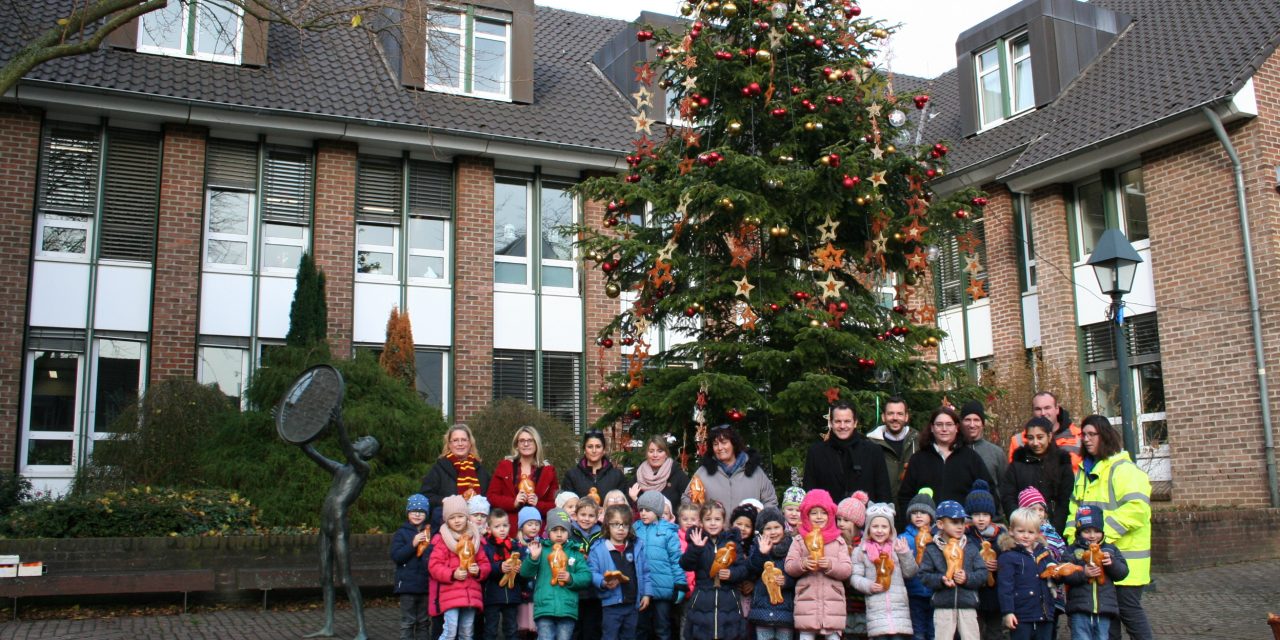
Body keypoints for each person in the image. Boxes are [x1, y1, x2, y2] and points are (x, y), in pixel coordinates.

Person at [1064, 416, 1153, 640]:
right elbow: (1074, 512)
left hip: (1126, 562)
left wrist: (1102, 536)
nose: (1086, 439)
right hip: (1098, 561)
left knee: (1129, 614)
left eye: (1092, 434)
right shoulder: (1084, 472)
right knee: (1108, 618)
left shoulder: (1123, 470)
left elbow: (1138, 509)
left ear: (1105, 436)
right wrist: (1073, 542)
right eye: (1083, 435)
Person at [301, 420, 380, 640]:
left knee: (345, 578)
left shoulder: (362, 469)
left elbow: (347, 448)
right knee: (325, 577)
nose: (358, 440)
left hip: (338, 525)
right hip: (325, 525)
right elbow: (310, 451)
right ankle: (328, 626)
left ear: (369, 451)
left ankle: (362, 630)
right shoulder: (340, 469)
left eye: (364, 440)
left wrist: (340, 425)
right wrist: (292, 425)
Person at [896, 407, 994, 527]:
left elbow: (988, 491)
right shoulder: (918, 459)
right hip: (925, 529)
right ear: (932, 428)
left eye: (949, 424)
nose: (944, 429)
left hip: (962, 529)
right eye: (939, 424)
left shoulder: (971, 458)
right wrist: (912, 523)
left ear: (957, 428)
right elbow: (905, 496)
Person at [784, 488, 853, 640]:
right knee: (806, 636)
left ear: (830, 514)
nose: (819, 517)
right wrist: (802, 564)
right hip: (806, 603)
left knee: (833, 637)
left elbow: (847, 569)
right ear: (806, 516)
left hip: (833, 605)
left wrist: (830, 565)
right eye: (814, 513)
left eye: (823, 512)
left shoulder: (838, 540)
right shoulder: (799, 540)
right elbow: (789, 566)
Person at [919, 500, 987, 640]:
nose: (960, 526)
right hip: (943, 605)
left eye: (962, 522)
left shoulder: (971, 546)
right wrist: (941, 579)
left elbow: (982, 573)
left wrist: (967, 578)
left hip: (968, 605)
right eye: (954, 522)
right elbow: (924, 575)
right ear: (940, 524)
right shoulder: (932, 549)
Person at [681, 501, 748, 639]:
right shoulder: (697, 540)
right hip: (702, 601)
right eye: (708, 519)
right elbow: (685, 564)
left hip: (729, 601)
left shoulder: (732, 543)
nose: (713, 523)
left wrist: (731, 574)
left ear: (724, 522)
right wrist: (696, 548)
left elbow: (743, 569)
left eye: (717, 519)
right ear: (701, 522)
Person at [521, 508, 592, 640]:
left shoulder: (575, 551)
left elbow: (586, 576)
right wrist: (533, 558)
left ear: (568, 532)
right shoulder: (541, 549)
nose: (559, 534)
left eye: (563, 530)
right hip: (544, 608)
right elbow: (525, 573)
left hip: (567, 609)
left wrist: (571, 578)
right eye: (555, 530)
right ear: (548, 531)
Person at [1060, 505, 1129, 640]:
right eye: (1087, 531)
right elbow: (1063, 574)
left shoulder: (1110, 550)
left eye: (1097, 531)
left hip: (1104, 609)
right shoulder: (1072, 551)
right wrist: (1083, 573)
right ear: (1079, 532)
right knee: (1081, 637)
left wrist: (1112, 564)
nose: (1092, 536)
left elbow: (1123, 573)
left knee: (1102, 637)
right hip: (1079, 608)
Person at [428, 495, 492, 640]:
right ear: (446, 520)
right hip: (451, 595)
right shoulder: (442, 540)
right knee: (450, 632)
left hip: (471, 594)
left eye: (460, 516)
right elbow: (434, 566)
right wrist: (452, 574)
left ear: (466, 517)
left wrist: (479, 571)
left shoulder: (475, 539)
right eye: (452, 517)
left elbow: (485, 563)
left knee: (467, 633)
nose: (457, 520)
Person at [851, 501, 917, 639]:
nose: (879, 530)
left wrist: (905, 554)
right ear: (868, 528)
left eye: (884, 527)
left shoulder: (896, 547)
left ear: (891, 529)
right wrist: (868, 585)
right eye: (875, 526)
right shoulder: (861, 551)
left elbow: (910, 572)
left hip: (899, 610)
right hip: (876, 610)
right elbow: (854, 577)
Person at [803, 401, 892, 504]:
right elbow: (809, 492)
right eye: (838, 421)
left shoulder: (873, 451)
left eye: (847, 421)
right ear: (831, 423)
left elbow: (883, 492)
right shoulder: (816, 452)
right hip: (827, 518)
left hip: (866, 517)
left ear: (855, 423)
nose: (842, 426)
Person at [1002, 417, 1075, 534]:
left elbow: (1065, 500)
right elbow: (1008, 497)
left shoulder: (1062, 462)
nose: (1035, 443)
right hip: (1023, 531)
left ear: (1049, 437)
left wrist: (1055, 529)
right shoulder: (1017, 464)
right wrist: (1020, 525)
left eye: (1040, 437)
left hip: (1055, 529)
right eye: (1031, 438)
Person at [589, 504, 651, 640]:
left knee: (629, 636)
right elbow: (591, 572)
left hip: (632, 603)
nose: (621, 528)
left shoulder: (636, 546)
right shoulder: (598, 549)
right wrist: (603, 582)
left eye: (625, 524)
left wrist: (646, 594)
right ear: (607, 526)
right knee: (609, 636)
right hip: (611, 604)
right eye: (616, 524)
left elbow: (645, 572)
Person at [996, 508, 1057, 640]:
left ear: (1037, 534)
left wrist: (1060, 573)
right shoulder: (1008, 556)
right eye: (1021, 531)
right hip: (1021, 616)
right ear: (1011, 531)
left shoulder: (1045, 554)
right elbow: (1005, 587)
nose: (1026, 535)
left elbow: (1055, 578)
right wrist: (1008, 612)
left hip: (1044, 614)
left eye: (1030, 532)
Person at [686, 424, 779, 509]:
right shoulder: (702, 473)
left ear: (733, 444)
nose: (720, 448)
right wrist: (697, 509)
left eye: (724, 442)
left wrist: (761, 520)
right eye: (715, 444)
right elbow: (686, 500)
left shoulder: (756, 472)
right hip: (713, 527)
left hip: (748, 527)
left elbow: (770, 501)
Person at [633, 491, 685, 640]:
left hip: (663, 589)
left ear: (657, 511)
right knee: (641, 628)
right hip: (642, 589)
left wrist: (680, 583)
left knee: (662, 628)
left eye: (648, 510)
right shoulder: (635, 529)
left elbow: (676, 559)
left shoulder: (668, 531)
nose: (643, 513)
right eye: (641, 509)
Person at [489, 425, 560, 530]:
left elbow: (555, 505)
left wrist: (538, 504)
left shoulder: (548, 471)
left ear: (536, 444)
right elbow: (492, 497)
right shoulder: (505, 466)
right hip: (508, 528)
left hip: (537, 530)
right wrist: (513, 502)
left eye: (530, 440)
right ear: (516, 445)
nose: (526, 444)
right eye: (522, 441)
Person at [422, 425, 491, 530]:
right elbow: (425, 496)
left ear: (470, 444)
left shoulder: (481, 470)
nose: (460, 444)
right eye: (455, 440)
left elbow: (490, 498)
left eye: (464, 440)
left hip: (478, 529)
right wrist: (444, 500)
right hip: (445, 528)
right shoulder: (439, 469)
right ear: (449, 444)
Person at [963, 481, 1006, 640]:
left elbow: (1008, 562)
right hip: (973, 593)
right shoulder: (965, 536)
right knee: (974, 632)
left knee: (995, 631)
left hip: (995, 594)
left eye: (985, 515)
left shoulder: (1001, 537)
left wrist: (998, 565)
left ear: (991, 515)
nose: (981, 519)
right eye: (976, 515)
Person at [747, 506, 796, 639]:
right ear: (761, 531)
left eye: (776, 527)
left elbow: (796, 574)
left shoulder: (792, 547)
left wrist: (786, 581)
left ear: (783, 528)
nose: (773, 532)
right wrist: (761, 554)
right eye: (768, 528)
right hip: (762, 609)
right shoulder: (756, 547)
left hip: (786, 610)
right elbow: (752, 570)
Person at [1007, 392, 1082, 474]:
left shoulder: (1080, 437)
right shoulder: (1018, 441)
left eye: (1047, 408)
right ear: (1032, 411)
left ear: (1057, 409)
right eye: (1038, 409)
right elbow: (1014, 476)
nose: (1043, 413)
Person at [391, 494, 432, 640]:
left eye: (421, 511)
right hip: (407, 586)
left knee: (423, 622)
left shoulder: (430, 533)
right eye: (413, 511)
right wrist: (413, 544)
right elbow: (397, 556)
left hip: (425, 586)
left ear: (426, 514)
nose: (417, 514)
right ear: (408, 513)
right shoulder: (401, 533)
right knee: (407, 622)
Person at [483, 507, 526, 640]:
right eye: (497, 526)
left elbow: (524, 566)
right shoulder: (486, 546)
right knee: (491, 629)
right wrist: (499, 567)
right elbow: (485, 568)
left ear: (509, 526)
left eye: (505, 526)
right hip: (492, 595)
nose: (502, 529)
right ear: (489, 528)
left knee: (512, 629)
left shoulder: (516, 546)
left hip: (512, 595)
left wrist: (519, 569)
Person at [898, 489, 935, 640]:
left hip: (934, 591)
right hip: (914, 591)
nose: (918, 515)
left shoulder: (937, 537)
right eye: (914, 512)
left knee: (934, 631)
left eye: (923, 512)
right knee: (917, 631)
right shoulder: (904, 538)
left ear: (931, 516)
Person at [562, 431, 631, 507]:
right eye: (590, 446)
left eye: (598, 446)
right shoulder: (572, 475)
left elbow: (623, 506)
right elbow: (567, 506)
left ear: (604, 450)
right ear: (584, 450)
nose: (594, 451)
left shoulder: (617, 475)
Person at [867, 397, 917, 501]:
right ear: (883, 417)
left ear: (906, 417)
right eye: (890, 413)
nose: (895, 418)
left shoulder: (918, 442)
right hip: (880, 510)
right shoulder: (870, 444)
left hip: (913, 510)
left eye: (900, 414)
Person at [569, 497, 605, 640]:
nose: (586, 519)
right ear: (575, 515)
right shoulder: (569, 534)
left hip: (595, 592)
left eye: (591, 516)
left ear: (597, 517)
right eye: (583, 515)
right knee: (575, 629)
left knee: (592, 629)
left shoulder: (602, 535)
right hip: (575, 590)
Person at [835, 492, 869, 639]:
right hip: (842, 606)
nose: (841, 523)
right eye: (839, 519)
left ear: (857, 522)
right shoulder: (835, 543)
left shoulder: (864, 545)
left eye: (846, 520)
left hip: (861, 605)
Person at [959, 401, 1007, 499]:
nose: (972, 425)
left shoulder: (996, 453)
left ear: (983, 423)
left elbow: (1004, 488)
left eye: (976, 420)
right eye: (967, 420)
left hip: (990, 511)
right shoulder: (954, 451)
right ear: (961, 423)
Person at [629, 435, 691, 509]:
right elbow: (630, 506)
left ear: (666, 454)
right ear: (647, 454)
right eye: (651, 451)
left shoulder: (678, 475)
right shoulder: (639, 475)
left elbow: (689, 505)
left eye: (660, 451)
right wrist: (634, 499)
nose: (655, 455)